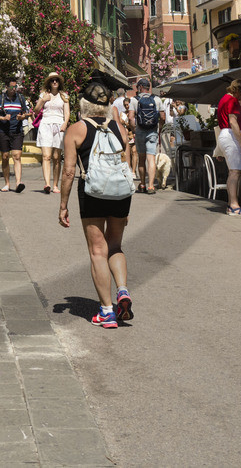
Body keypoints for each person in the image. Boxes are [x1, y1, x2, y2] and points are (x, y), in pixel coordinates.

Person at [57, 80, 134, 329]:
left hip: (93, 192)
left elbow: (69, 172)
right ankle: (122, 290)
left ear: (83, 104)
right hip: (121, 193)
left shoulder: (76, 130)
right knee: (115, 245)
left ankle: (107, 311)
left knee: (97, 251)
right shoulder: (118, 127)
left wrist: (63, 205)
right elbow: (126, 159)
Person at [0, 77, 29, 193]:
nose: (13, 89)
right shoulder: (0, 99)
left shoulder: (20, 98)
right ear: (6, 87)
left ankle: (18, 183)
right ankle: (7, 183)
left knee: (17, 156)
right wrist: (2, 118)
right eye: (11, 87)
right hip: (3, 131)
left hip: (16, 131)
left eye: (15, 86)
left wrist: (22, 117)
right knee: (5, 156)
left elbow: (26, 113)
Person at [214, 79, 241, 215]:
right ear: (238, 91)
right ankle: (234, 205)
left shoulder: (224, 99)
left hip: (225, 136)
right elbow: (232, 122)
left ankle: (232, 204)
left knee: (233, 172)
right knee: (235, 172)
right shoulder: (232, 100)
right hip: (231, 138)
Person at [33, 72, 70, 193]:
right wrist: (43, 100)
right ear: (49, 82)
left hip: (59, 125)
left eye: (57, 80)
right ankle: (47, 184)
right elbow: (36, 110)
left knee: (56, 157)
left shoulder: (64, 95)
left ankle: (55, 185)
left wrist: (65, 123)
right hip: (46, 124)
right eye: (52, 80)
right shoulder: (44, 95)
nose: (54, 82)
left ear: (59, 83)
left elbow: (67, 113)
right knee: (46, 156)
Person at [131, 79, 166, 194]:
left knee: (141, 159)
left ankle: (142, 184)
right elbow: (163, 117)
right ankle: (151, 186)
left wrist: (134, 130)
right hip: (152, 131)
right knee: (151, 158)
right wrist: (159, 128)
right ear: (149, 87)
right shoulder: (156, 99)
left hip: (140, 131)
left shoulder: (134, 100)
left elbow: (131, 118)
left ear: (140, 87)